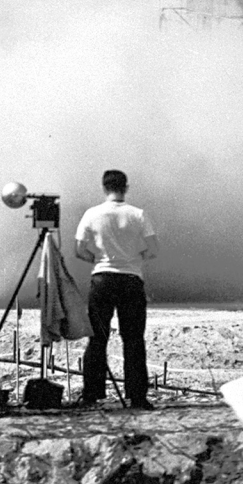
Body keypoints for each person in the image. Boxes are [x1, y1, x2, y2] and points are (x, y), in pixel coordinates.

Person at [73, 168, 158, 409]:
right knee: (133, 339)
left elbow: (79, 249)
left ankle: (91, 394)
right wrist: (134, 259)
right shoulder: (138, 214)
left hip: (102, 279)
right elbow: (153, 248)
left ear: (104, 188)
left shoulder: (92, 214)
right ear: (126, 188)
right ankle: (137, 397)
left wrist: (99, 261)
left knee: (97, 338)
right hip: (131, 279)